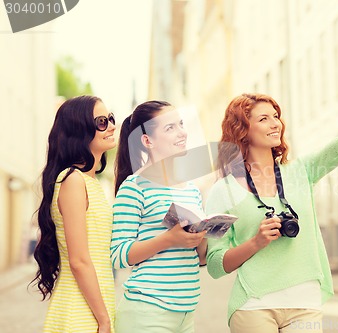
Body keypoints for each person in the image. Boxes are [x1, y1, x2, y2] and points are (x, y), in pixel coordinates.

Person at [206, 57, 338, 332]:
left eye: (276, 116)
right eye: (263, 119)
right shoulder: (221, 192)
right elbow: (214, 264)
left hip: (304, 303)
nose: (276, 124)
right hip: (253, 305)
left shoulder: (301, 172)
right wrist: (256, 242)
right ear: (242, 131)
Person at [112, 100, 207, 333]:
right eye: (170, 128)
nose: (181, 132)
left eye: (181, 124)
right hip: (147, 312)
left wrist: (203, 234)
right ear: (147, 141)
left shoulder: (191, 189)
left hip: (186, 313)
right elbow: (118, 256)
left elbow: (201, 258)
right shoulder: (134, 187)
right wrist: (169, 239)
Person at [32, 95, 117, 333]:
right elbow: (79, 261)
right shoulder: (72, 180)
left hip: (95, 307)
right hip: (80, 312)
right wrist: (103, 320)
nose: (111, 126)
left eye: (110, 118)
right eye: (101, 121)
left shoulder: (90, 183)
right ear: (79, 130)